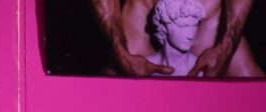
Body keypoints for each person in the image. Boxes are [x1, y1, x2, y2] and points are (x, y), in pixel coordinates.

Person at [89, 0, 263, 77]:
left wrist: (226, 47)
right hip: (144, 17)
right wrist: (119, 50)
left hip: (209, 20)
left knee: (256, 96)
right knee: (107, 93)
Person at [147, 0, 208, 75]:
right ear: (165, 27)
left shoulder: (201, 69)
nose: (190, 35)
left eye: (194, 25)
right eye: (183, 26)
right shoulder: (147, 67)